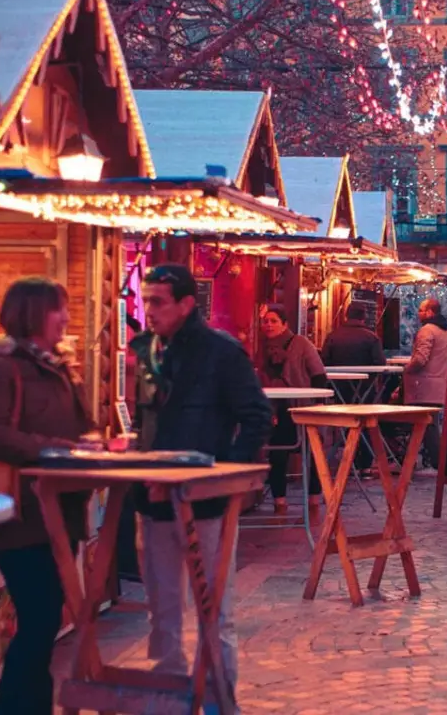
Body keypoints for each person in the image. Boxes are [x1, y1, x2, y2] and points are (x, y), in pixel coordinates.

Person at [130, 264, 271, 712]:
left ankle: (218, 699)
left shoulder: (220, 352)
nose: (148, 310)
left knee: (215, 610)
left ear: (187, 304)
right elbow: (146, 419)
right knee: (163, 612)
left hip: (205, 503)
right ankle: (169, 700)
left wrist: (226, 476)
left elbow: (256, 416)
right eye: (145, 299)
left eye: (158, 301)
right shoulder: (145, 349)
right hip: (153, 497)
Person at [0, 277, 94, 714]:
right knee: (40, 616)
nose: (67, 317)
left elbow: (75, 427)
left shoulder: (58, 367)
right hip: (20, 515)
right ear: (34, 313)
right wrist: (51, 450)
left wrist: (92, 443)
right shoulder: (3, 368)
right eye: (58, 308)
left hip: (58, 509)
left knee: (45, 617)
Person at [259, 302, 329, 512]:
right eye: (265, 322)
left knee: (311, 451)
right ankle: (279, 500)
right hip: (275, 408)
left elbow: (318, 373)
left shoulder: (300, 343)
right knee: (277, 453)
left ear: (284, 324)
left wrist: (317, 406)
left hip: (301, 406)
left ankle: (314, 499)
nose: (269, 325)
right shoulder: (262, 347)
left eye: (274, 321)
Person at [321, 301, 386, 475]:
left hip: (340, 388)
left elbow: (324, 361)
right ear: (363, 317)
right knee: (363, 422)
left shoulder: (333, 336)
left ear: (346, 315)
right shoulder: (371, 337)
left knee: (344, 422)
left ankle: (341, 459)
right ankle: (363, 464)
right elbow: (380, 363)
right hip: (365, 388)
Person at [403, 298, 447, 474]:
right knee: (430, 423)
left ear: (430, 312)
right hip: (439, 382)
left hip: (423, 384)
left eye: (421, 310)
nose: (418, 313)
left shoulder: (427, 330)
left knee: (426, 424)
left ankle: (436, 463)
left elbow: (420, 359)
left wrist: (406, 370)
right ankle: (432, 461)